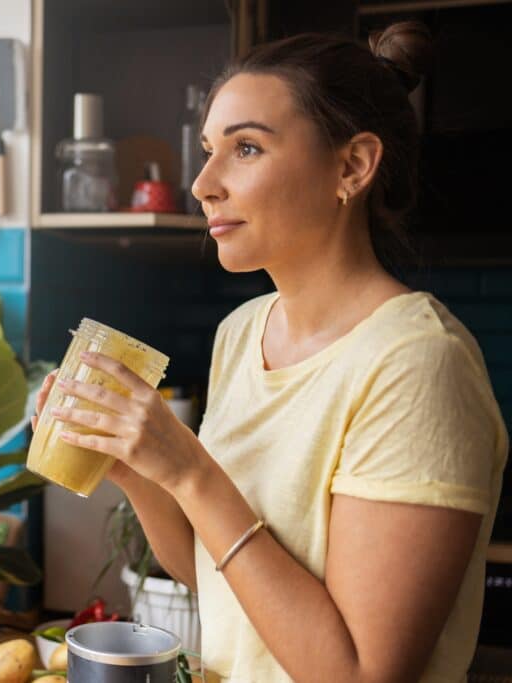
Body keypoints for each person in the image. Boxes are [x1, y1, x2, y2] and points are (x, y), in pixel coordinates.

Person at [32, 21, 508, 682]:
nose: (202, 183)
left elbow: (362, 674)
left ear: (353, 166)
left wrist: (190, 470)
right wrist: (135, 466)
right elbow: (214, 571)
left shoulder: (417, 362)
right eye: (208, 151)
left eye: (247, 148)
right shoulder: (241, 333)